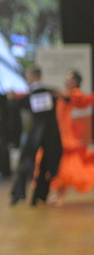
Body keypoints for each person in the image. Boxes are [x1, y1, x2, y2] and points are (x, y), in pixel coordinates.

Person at [8, 65, 62, 206]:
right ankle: (39, 196)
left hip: (35, 134)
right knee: (46, 164)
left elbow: (15, 106)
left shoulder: (30, 95)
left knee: (25, 161)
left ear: (32, 76)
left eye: (27, 75)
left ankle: (19, 193)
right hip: (51, 135)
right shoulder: (52, 92)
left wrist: (12, 98)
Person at [46, 70, 94, 207]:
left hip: (66, 136)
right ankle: (58, 194)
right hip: (59, 133)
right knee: (60, 167)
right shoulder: (65, 93)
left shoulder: (75, 93)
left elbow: (78, 99)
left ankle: (60, 196)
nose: (66, 81)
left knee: (64, 168)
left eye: (69, 79)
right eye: (66, 78)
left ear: (75, 82)